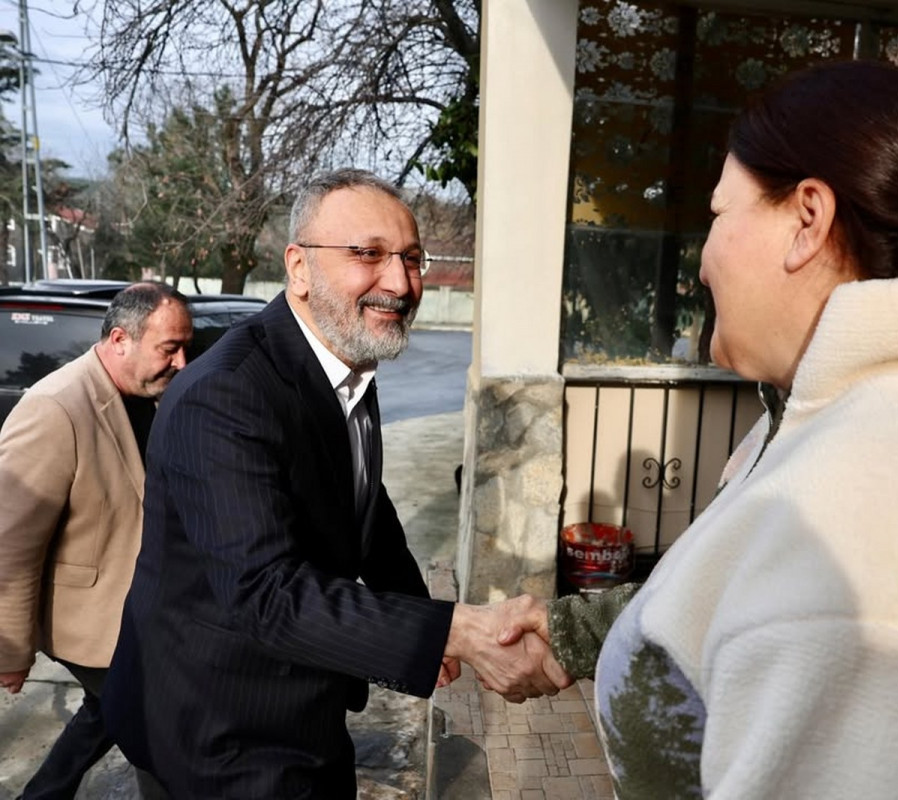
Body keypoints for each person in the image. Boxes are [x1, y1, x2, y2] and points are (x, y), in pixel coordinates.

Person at [508, 61, 898, 798]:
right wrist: (572, 632)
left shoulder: (880, 550)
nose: (703, 262)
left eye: (718, 215)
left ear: (807, 220)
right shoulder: (849, 418)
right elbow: (737, 593)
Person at [101, 168, 569, 796]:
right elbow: (265, 593)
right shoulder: (225, 394)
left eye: (411, 258)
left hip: (304, 698)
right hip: (219, 726)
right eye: (368, 254)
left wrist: (425, 622)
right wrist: (459, 630)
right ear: (299, 267)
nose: (400, 283)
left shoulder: (346, 361)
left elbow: (362, 505)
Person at [0, 282, 190, 799]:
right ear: (120, 339)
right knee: (159, 732)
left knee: (104, 712)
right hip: (90, 620)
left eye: (185, 347)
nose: (182, 362)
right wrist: (11, 650)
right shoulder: (55, 407)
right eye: (169, 348)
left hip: (143, 605)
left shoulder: (151, 395)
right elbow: (11, 543)